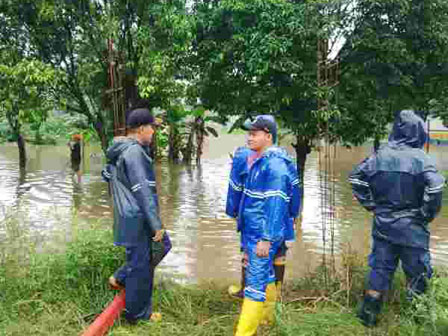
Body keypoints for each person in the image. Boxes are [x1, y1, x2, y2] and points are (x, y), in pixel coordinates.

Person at [349, 110, 445, 327]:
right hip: (413, 227)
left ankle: (368, 318)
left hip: (383, 224)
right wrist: (426, 214)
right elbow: (436, 186)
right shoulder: (421, 159)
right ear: (419, 132)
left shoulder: (379, 155)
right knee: (417, 273)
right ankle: (416, 321)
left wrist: (371, 205)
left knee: (380, 269)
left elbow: (356, 177)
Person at [233, 115, 301, 335]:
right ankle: (267, 320)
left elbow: (275, 205)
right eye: (248, 133)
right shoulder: (260, 160)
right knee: (268, 276)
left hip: (263, 234)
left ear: (268, 136)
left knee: (254, 285)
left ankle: (244, 332)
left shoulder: (274, 166)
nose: (249, 137)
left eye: (254, 133)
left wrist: (266, 238)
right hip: (255, 230)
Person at [101, 105, 167, 323]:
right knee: (142, 265)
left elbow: (109, 172)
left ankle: (120, 276)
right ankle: (138, 316)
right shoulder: (134, 152)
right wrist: (156, 224)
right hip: (137, 216)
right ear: (140, 129)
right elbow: (144, 191)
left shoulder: (121, 148)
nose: (153, 132)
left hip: (127, 215)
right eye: (151, 128)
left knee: (157, 250)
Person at [226, 146, 299, 303]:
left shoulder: (244, 157)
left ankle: (247, 292)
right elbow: (295, 190)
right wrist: (293, 215)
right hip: (283, 214)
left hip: (257, 216)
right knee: (279, 253)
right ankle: (276, 294)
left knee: (250, 252)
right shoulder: (285, 157)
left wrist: (234, 212)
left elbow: (235, 188)